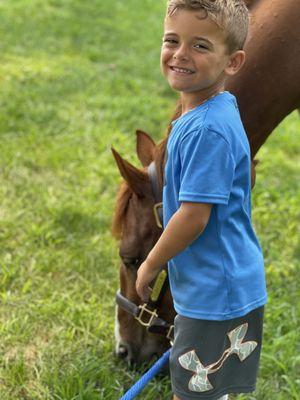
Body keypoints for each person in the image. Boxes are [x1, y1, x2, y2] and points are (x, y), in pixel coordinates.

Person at [136, 1, 267, 399]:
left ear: (233, 62)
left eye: (200, 46)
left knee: (192, 394)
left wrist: (150, 264)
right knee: (207, 390)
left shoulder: (208, 130)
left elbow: (193, 217)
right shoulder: (210, 112)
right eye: (172, 40)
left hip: (217, 293)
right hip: (218, 285)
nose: (180, 54)